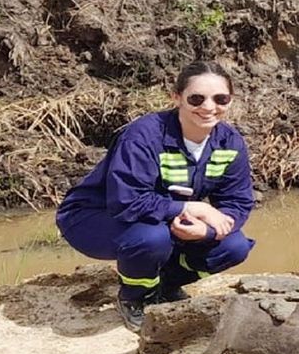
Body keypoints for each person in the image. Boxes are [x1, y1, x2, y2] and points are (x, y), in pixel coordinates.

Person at [57, 60, 255, 332]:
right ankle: (135, 299)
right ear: (176, 97)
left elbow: (238, 202)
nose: (209, 107)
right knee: (152, 238)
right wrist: (192, 207)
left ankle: (164, 285)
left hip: (157, 217)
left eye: (220, 98)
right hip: (94, 217)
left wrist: (207, 232)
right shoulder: (145, 135)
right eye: (196, 98)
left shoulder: (230, 142)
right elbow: (127, 201)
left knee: (234, 247)